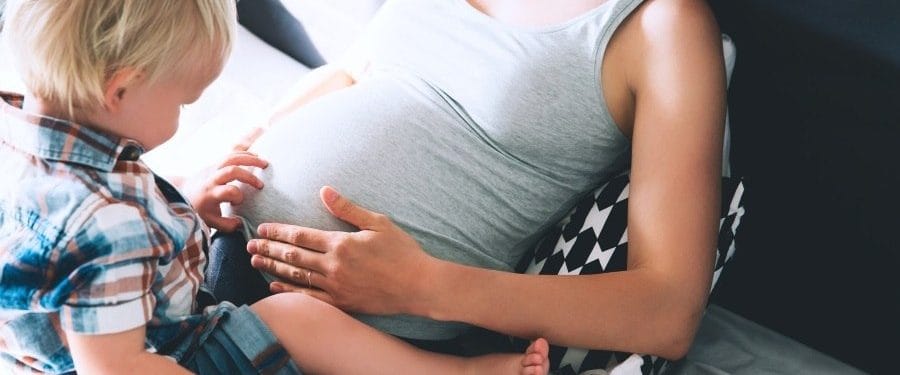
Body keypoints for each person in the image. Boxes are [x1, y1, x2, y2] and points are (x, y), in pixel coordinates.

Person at [0, 1, 551, 374]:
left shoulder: (43, 150)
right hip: (162, 352)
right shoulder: (103, 223)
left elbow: (74, 271)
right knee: (297, 320)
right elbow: (116, 367)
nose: (181, 116)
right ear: (119, 89)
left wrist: (183, 206)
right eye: (181, 102)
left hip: (147, 323)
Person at [206, 0, 728, 365]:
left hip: (359, 346)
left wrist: (422, 285)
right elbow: (351, 74)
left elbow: (668, 311)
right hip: (215, 251)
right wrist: (239, 154)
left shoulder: (663, 26)